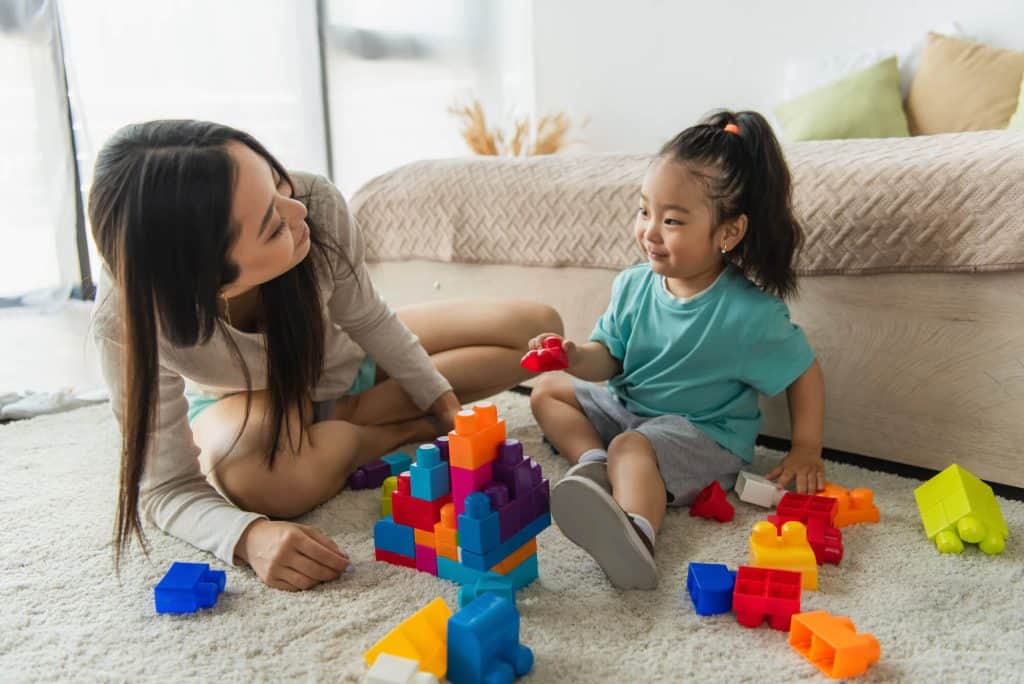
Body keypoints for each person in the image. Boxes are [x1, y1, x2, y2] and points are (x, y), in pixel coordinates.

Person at [90, 120, 562, 591]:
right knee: (258, 482)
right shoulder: (127, 319)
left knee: (538, 333)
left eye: (278, 181)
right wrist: (250, 535)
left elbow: (367, 316)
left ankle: (355, 422)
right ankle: (373, 432)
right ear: (209, 281)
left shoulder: (312, 201)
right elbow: (166, 487)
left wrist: (446, 407)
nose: (297, 210)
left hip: (344, 357)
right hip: (250, 404)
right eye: (273, 226)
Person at [528, 111, 824, 590]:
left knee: (631, 446)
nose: (649, 231)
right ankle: (594, 466)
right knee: (547, 391)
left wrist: (806, 447)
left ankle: (638, 536)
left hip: (703, 435)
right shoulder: (632, 285)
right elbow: (610, 357)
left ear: (728, 233)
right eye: (644, 211)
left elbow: (803, 370)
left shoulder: (747, 313)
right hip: (631, 410)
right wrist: (573, 356)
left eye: (671, 221)